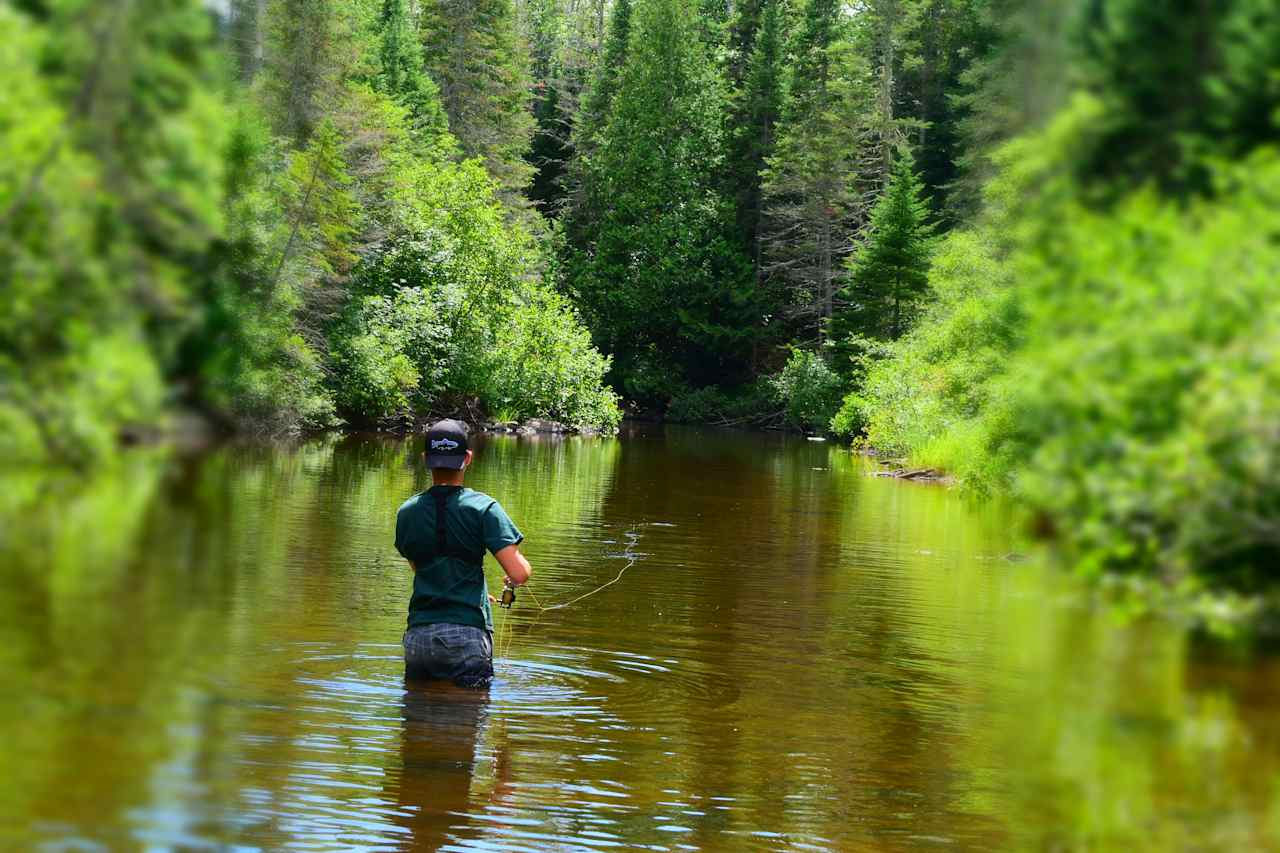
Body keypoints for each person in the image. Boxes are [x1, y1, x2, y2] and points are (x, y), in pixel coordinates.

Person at [395, 419, 532, 687]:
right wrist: (517, 577)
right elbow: (518, 573)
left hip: (419, 637)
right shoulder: (483, 508)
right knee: (468, 718)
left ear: (425, 459)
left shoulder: (407, 511)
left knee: (418, 722)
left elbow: (421, 566)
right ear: (468, 458)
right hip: (466, 636)